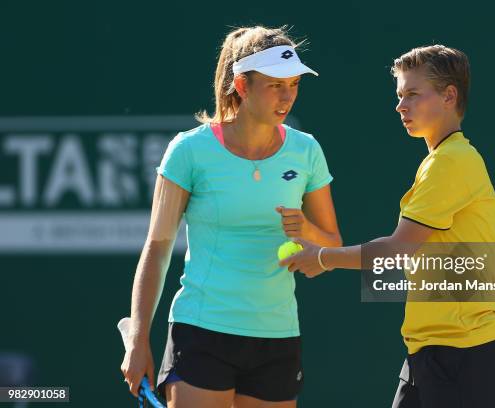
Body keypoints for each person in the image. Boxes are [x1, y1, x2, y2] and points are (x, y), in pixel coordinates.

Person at [120, 26, 342, 408]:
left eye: (293, 84)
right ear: (241, 85)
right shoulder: (189, 151)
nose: (287, 96)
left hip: (278, 336)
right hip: (202, 331)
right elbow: (157, 248)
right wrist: (139, 340)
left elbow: (332, 246)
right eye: (275, 85)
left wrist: (306, 231)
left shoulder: (307, 152)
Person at [281, 45, 495, 408]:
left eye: (413, 95)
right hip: (431, 352)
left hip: (464, 354)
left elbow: (397, 249)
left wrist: (322, 258)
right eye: (399, 95)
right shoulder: (439, 161)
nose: (400, 106)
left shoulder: (452, 162)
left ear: (449, 96)